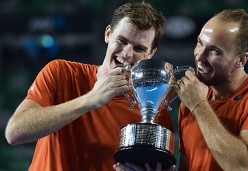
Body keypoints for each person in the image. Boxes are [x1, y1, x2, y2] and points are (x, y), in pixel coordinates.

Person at [5, 2, 174, 171]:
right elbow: (15, 132)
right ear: (108, 34)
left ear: (151, 53)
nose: (127, 53)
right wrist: (91, 99)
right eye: (122, 41)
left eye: (138, 48)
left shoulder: (154, 110)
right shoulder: (60, 72)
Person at [175, 9, 248, 170]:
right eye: (200, 43)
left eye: (214, 51)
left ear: (241, 60)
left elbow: (243, 166)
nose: (199, 56)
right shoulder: (190, 101)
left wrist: (199, 105)